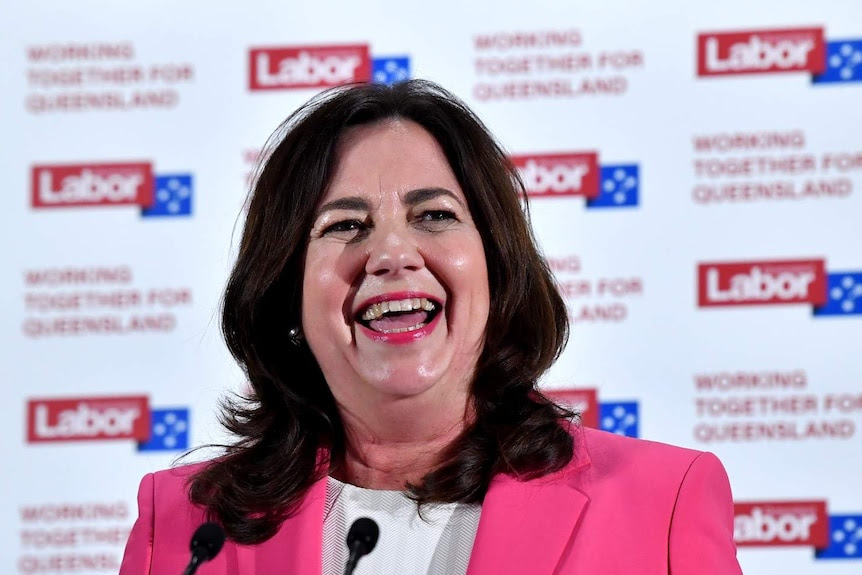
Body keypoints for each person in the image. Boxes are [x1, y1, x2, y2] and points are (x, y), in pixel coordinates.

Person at [119, 79, 742, 574]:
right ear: (286, 292)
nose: (392, 253)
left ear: (497, 267)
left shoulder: (661, 503)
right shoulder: (182, 525)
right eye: (345, 225)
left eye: (434, 215)